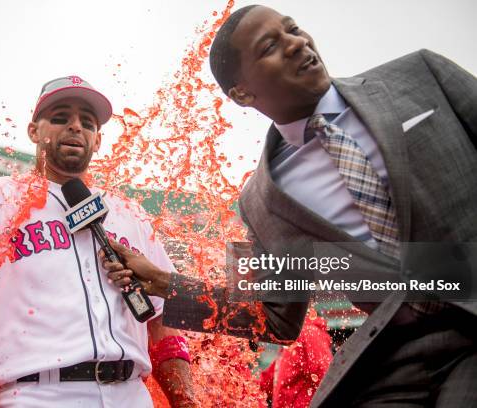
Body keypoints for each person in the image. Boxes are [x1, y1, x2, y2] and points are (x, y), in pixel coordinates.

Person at [102, 5, 477, 407]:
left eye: (293, 30)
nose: (297, 44)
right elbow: (271, 316)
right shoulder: (258, 203)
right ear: (242, 94)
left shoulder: (419, 74)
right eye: (271, 47)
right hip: (402, 350)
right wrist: (160, 281)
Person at [0, 75, 196, 408]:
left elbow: (162, 324)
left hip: (130, 393)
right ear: (34, 131)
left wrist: (186, 401)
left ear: (97, 141)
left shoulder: (131, 214)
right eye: (60, 117)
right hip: (35, 393)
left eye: (88, 122)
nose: (75, 127)